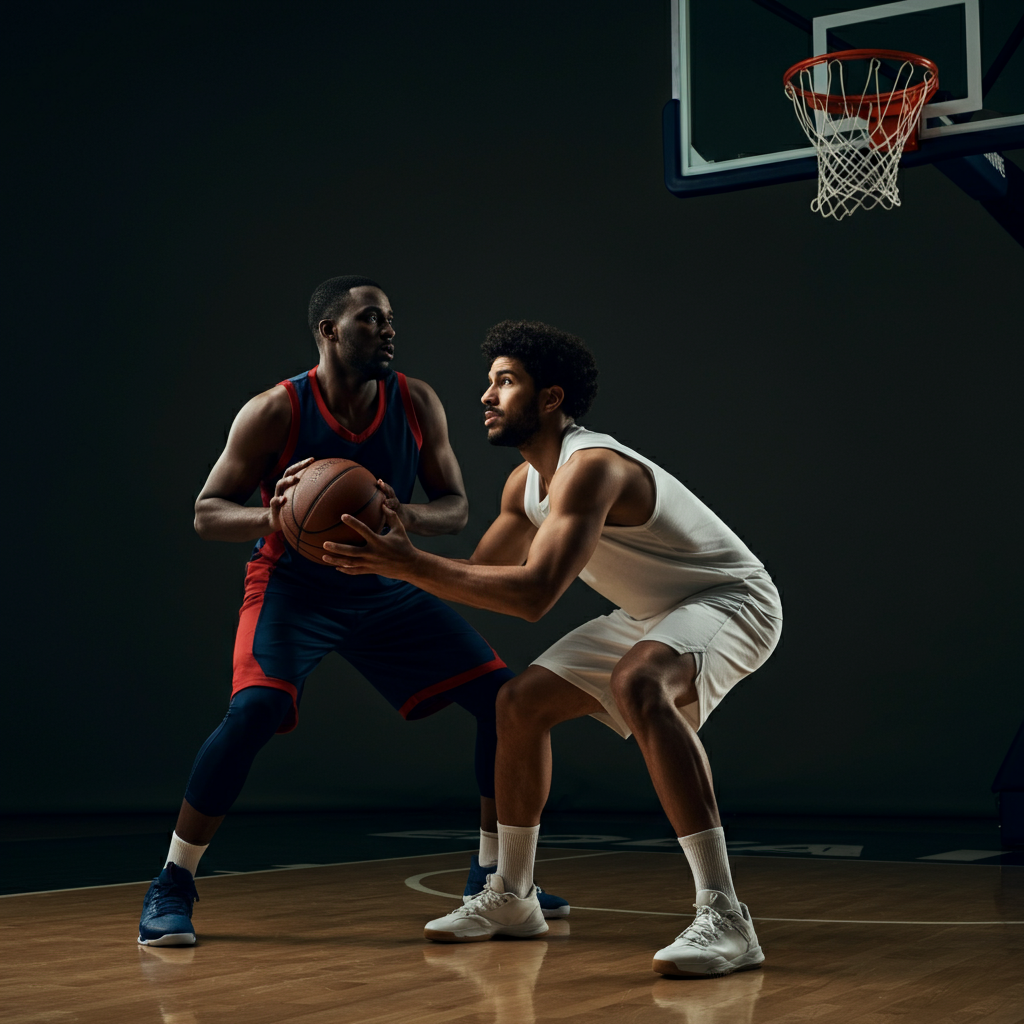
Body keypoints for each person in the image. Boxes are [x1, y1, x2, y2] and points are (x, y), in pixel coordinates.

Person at [322, 320, 783, 977]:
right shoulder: (524, 487)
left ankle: (727, 918)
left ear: (549, 399)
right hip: (652, 611)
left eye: (505, 383)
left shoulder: (590, 467)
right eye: (488, 383)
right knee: (519, 703)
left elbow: (532, 596)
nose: (486, 395)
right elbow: (480, 574)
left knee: (639, 682)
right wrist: (400, 527)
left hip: (733, 601)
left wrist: (407, 565)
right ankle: (513, 896)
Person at [137, 282, 568, 947]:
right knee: (253, 712)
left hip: (386, 586)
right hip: (292, 588)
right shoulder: (274, 411)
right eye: (372, 319)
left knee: (505, 702)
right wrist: (274, 516)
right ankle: (172, 881)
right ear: (330, 331)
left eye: (392, 320)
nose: (389, 330)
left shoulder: (416, 401)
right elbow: (206, 512)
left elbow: (453, 506)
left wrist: (406, 516)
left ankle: (495, 875)